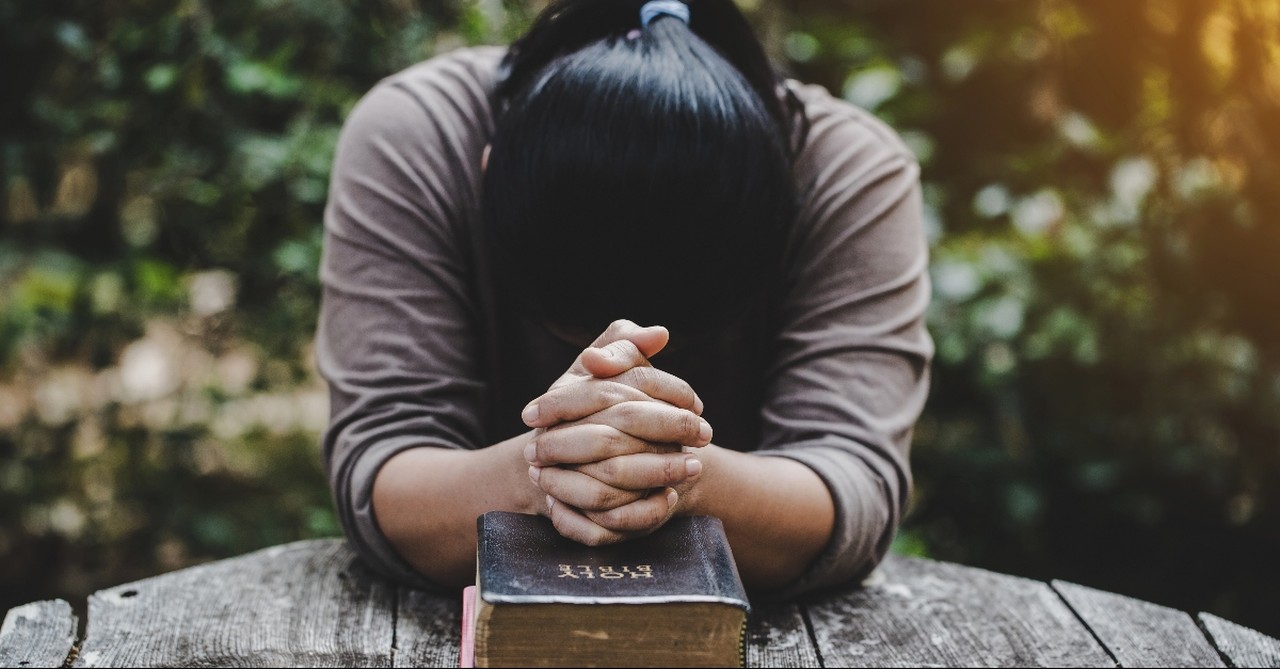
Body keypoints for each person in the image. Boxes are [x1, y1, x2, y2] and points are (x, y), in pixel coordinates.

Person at [317, 0, 932, 599]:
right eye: (568, 327)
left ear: (784, 208)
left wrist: (672, 474)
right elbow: (384, 468)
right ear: (486, 175)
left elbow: (854, 483)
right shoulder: (416, 137)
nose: (616, 354)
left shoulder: (846, 172)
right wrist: (548, 465)